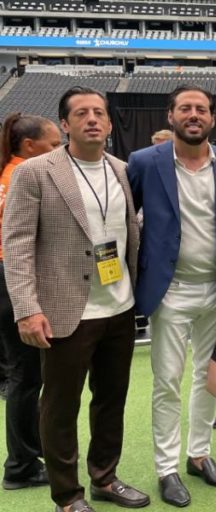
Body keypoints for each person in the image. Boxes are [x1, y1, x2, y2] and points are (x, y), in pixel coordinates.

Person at [3, 86, 150, 512]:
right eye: (82, 113)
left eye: (99, 113)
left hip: (120, 306)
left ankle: (105, 477)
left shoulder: (122, 170)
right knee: (60, 406)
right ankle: (67, 495)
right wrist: (27, 309)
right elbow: (17, 243)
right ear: (64, 124)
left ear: (108, 123)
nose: (92, 120)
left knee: (111, 399)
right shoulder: (36, 171)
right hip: (66, 308)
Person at [127, 85, 216, 507]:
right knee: (167, 381)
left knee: (208, 379)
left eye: (201, 109)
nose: (193, 115)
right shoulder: (143, 162)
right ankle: (166, 468)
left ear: (212, 118)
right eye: (185, 108)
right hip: (169, 290)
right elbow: (126, 221)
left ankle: (199, 455)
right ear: (171, 115)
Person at [0, 112, 61, 491]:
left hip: (4, 280)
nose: (58, 151)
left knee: (21, 374)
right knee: (25, 376)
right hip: (12, 279)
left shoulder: (6, 173)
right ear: (29, 145)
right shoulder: (25, 177)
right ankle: (20, 465)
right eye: (53, 145)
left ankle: (28, 451)